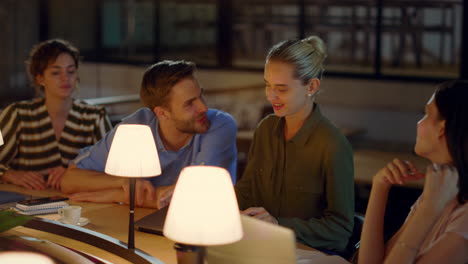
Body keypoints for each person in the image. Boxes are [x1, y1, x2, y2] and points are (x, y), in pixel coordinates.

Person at [60, 60, 238, 209]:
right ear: (161, 113)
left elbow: (198, 197)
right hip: (144, 225)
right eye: (190, 103)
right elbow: (70, 180)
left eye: (201, 95)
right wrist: (122, 182)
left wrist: (119, 195)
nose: (203, 107)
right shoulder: (136, 127)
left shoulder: (219, 125)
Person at [234, 36, 355, 254]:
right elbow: (247, 191)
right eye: (268, 85)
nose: (271, 96)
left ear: (311, 86)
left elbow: (340, 229)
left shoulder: (333, 144)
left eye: (281, 89)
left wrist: (278, 224)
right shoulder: (265, 130)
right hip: (260, 248)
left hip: (305, 254)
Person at [359, 80, 468, 264]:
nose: (419, 123)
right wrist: (380, 187)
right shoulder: (438, 190)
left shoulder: (462, 217)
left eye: (426, 114)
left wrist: (429, 210)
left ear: (442, 129)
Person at [0, 39, 112, 190]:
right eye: (55, 72)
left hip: (78, 205)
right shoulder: (16, 114)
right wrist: (10, 174)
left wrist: (75, 174)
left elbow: (112, 167)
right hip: (24, 204)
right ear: (40, 78)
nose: (65, 78)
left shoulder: (94, 116)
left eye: (71, 71)